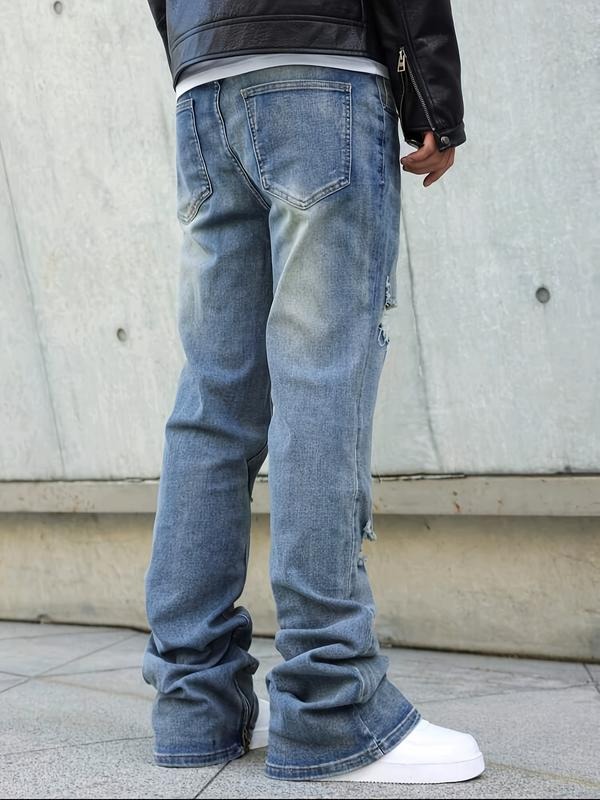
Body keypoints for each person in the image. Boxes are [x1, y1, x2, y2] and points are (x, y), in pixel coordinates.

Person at [141, 0, 484, 785]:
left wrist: (197, 52)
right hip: (319, 70)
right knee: (319, 381)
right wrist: (433, 99)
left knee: (214, 403)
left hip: (205, 86)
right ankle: (330, 704)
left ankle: (194, 702)